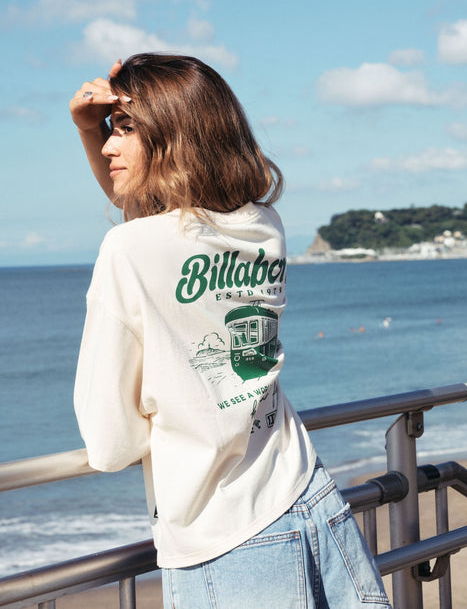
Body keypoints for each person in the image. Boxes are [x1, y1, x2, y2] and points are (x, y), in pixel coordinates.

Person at [71, 53, 392, 608]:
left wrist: (166, 407)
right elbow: (158, 225)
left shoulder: (127, 250)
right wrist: (91, 127)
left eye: (124, 129)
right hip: (309, 495)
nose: (106, 147)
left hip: (226, 540)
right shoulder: (263, 226)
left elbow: (109, 443)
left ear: (173, 138)